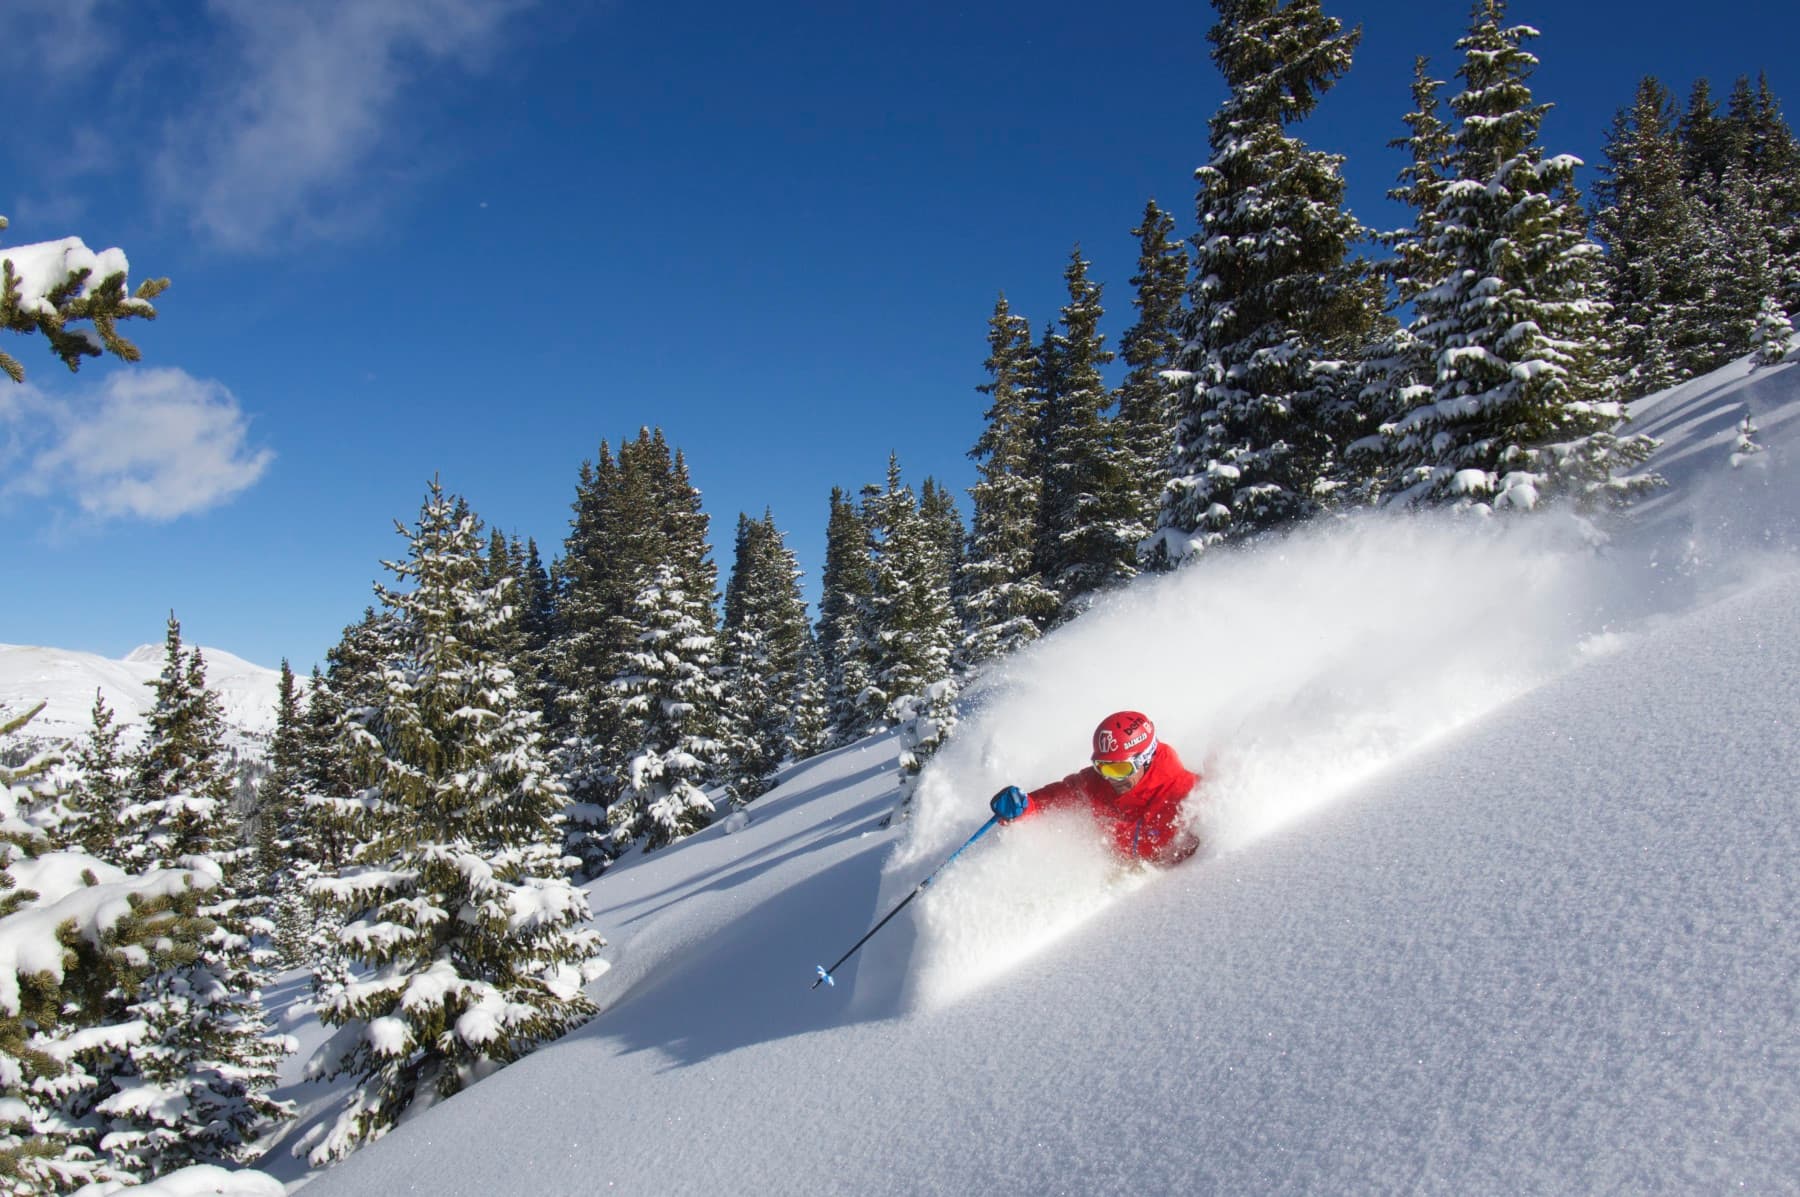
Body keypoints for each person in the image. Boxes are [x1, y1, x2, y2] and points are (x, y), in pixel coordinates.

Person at [989, 710, 1202, 867]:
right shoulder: (1098, 782)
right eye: (1103, 766)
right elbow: (1057, 796)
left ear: (1145, 760)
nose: (1111, 778)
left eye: (1120, 769)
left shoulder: (1186, 797)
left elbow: (1208, 846)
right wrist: (1025, 805)